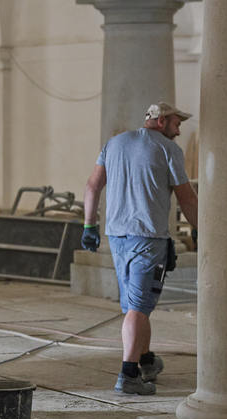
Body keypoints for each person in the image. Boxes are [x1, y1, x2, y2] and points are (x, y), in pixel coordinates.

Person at [81, 101, 199, 395]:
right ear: (160, 122)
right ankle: (128, 375)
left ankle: (146, 360)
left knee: (136, 307)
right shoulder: (169, 150)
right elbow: (187, 198)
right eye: (176, 122)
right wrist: (202, 229)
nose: (179, 128)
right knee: (138, 308)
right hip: (148, 240)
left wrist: (89, 225)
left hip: (117, 237)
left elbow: (93, 185)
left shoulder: (114, 144)